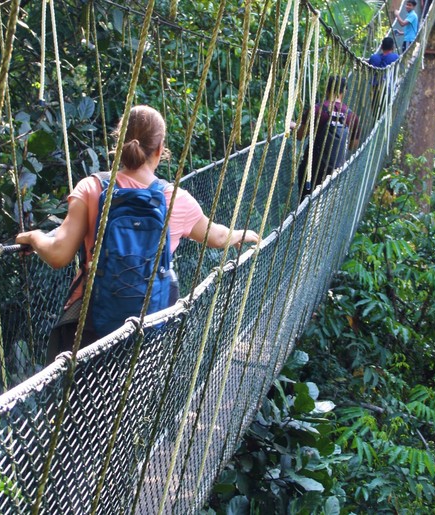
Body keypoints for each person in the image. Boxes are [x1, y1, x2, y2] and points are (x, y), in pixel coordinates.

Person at [16, 105, 260, 362]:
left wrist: (34, 236)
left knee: (85, 400)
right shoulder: (174, 198)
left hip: (89, 324)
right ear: (159, 148)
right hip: (147, 327)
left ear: (118, 140)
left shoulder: (92, 187)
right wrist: (240, 234)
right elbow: (218, 237)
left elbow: (58, 255)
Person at [295, 75, 360, 197]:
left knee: (305, 204)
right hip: (335, 174)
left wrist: (293, 126)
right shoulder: (352, 116)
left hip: (311, 171)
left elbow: (300, 135)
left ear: (327, 89)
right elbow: (353, 145)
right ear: (344, 91)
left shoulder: (316, 110)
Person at [369, 37, 400, 118]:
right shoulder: (395, 57)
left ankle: (376, 121)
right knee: (385, 113)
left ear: (382, 47)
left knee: (376, 113)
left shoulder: (373, 58)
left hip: (375, 88)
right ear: (393, 47)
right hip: (387, 89)